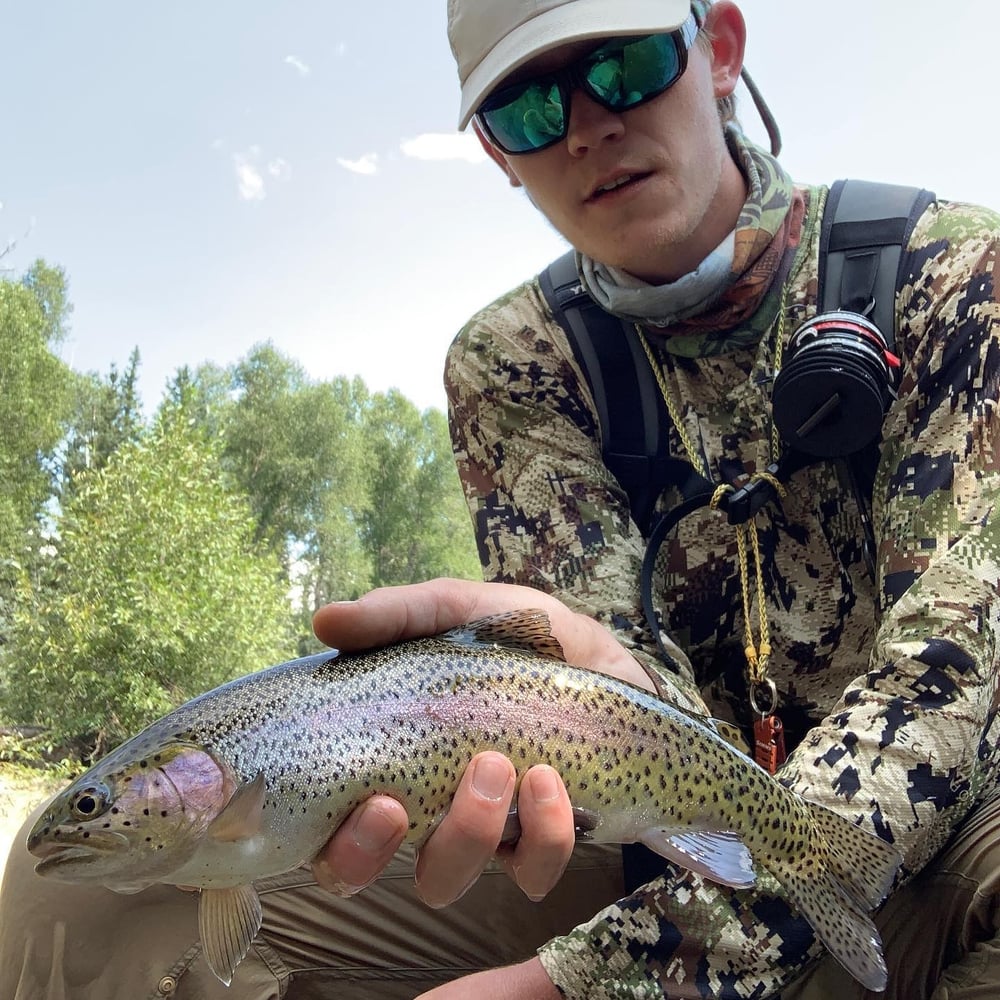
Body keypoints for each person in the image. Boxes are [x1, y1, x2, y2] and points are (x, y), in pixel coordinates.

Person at [3, 0, 1000, 997]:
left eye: (623, 68)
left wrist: (589, 980)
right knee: (79, 902)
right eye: (526, 108)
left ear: (720, 49)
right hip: (661, 826)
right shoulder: (513, 359)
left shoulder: (955, 270)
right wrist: (600, 693)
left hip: (959, 835)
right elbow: (622, 703)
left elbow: (956, 673)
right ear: (494, 152)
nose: (584, 128)